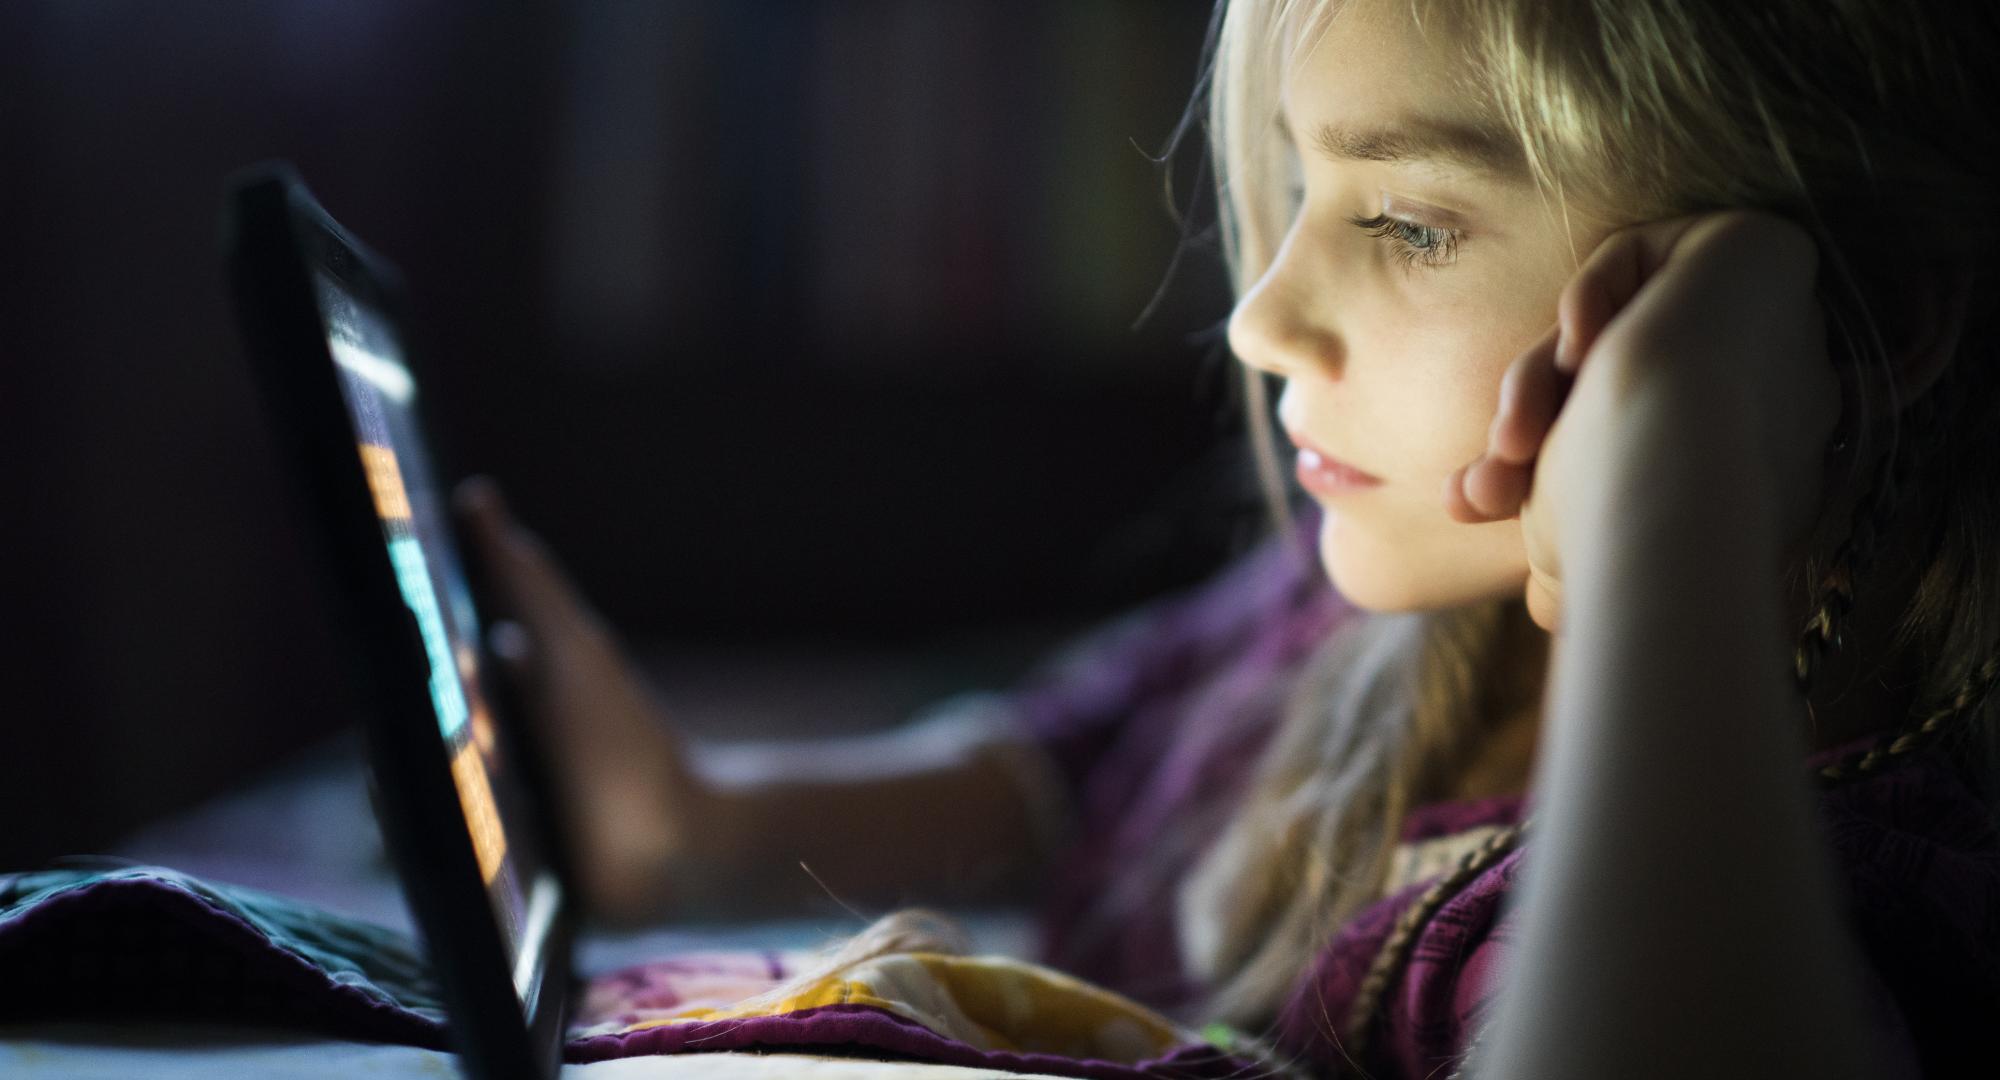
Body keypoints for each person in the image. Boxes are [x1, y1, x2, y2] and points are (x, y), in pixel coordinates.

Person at [454, 0, 2000, 1075]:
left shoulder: (1859, 878)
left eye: (1407, 223)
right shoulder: (1355, 621)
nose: (1261, 319)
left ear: (1854, 322)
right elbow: (1080, 764)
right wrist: (700, 825)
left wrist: (1671, 494)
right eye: (1299, 180)